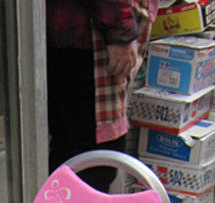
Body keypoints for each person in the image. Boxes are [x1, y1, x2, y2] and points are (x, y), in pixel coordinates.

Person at [46, 0, 159, 192]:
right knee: (96, 162)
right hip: (88, 42)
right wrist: (119, 31)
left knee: (70, 153)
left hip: (75, 39)